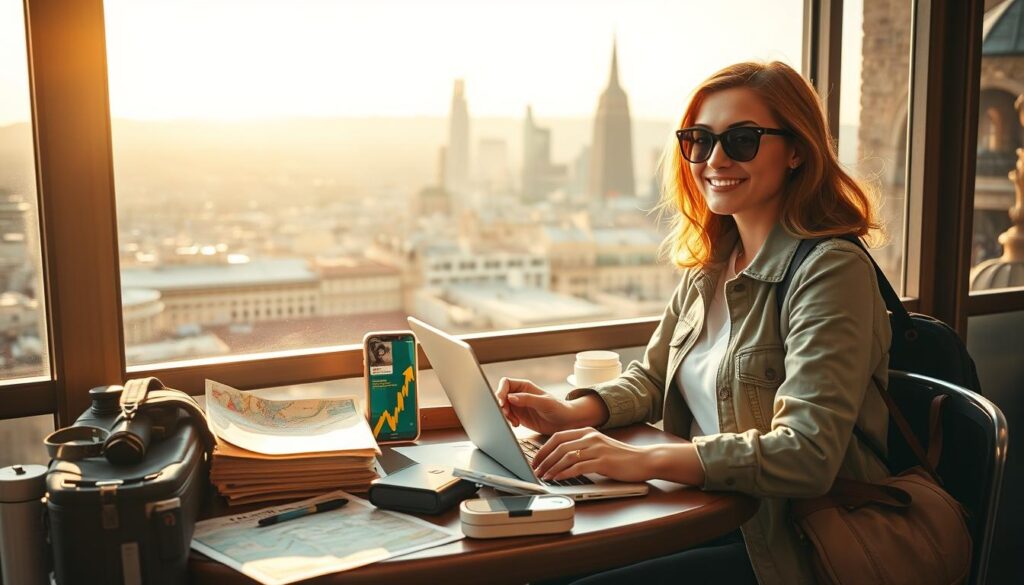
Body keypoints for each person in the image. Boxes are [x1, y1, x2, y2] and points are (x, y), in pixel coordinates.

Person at [496, 61, 892, 585]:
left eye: (742, 140)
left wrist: (644, 460)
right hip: (699, 511)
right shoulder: (714, 262)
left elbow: (807, 454)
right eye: (699, 141)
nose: (715, 159)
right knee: (525, 561)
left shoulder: (830, 270)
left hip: (785, 542)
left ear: (797, 150)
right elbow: (653, 377)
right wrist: (572, 413)